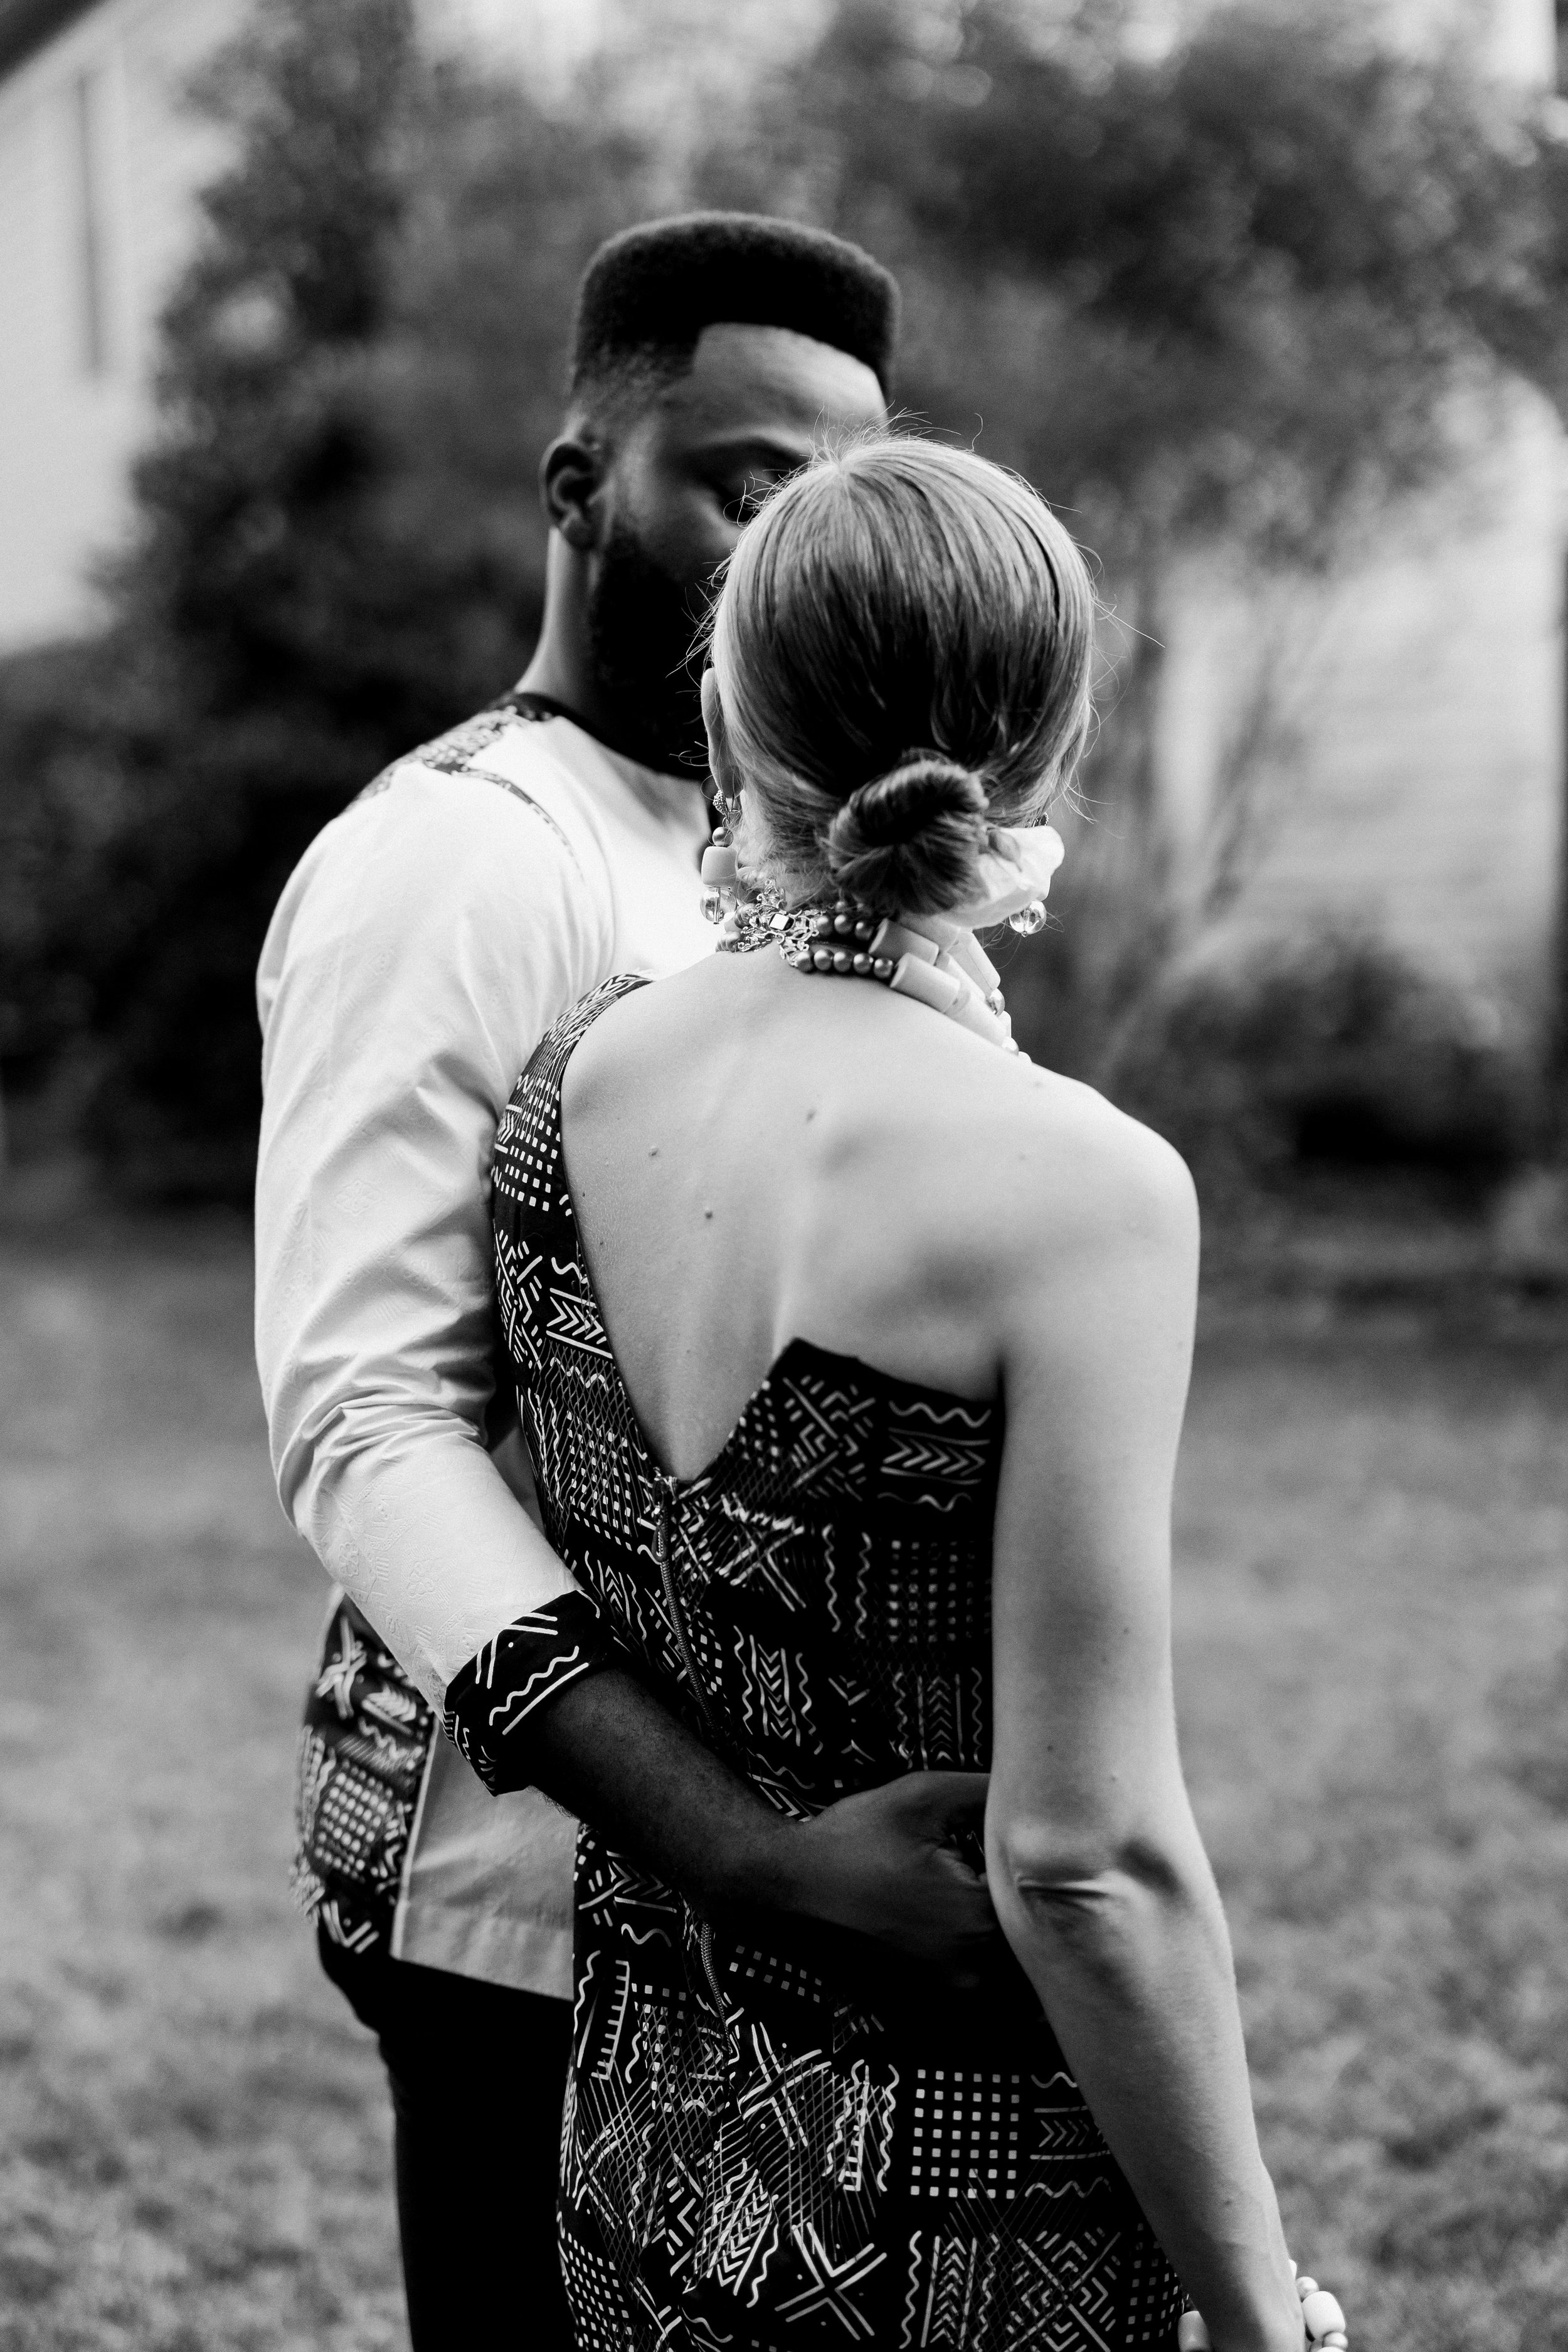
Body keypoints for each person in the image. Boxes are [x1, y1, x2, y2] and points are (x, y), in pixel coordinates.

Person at [467, 435, 1313, 2352]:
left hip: (640, 2170)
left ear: (727, 714)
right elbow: (1083, 1862)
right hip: (961, 2232)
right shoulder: (1081, 1193)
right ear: (1043, 749)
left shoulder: (570, 1087)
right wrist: (1265, 2318)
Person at [255, 218, 1000, 2352]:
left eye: (844, 498)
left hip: (799, 1898)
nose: (800, 549)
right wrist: (746, 1855)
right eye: (750, 483)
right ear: (582, 482)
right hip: (536, 1896)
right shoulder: (467, 856)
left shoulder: (811, 863)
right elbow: (369, 1424)